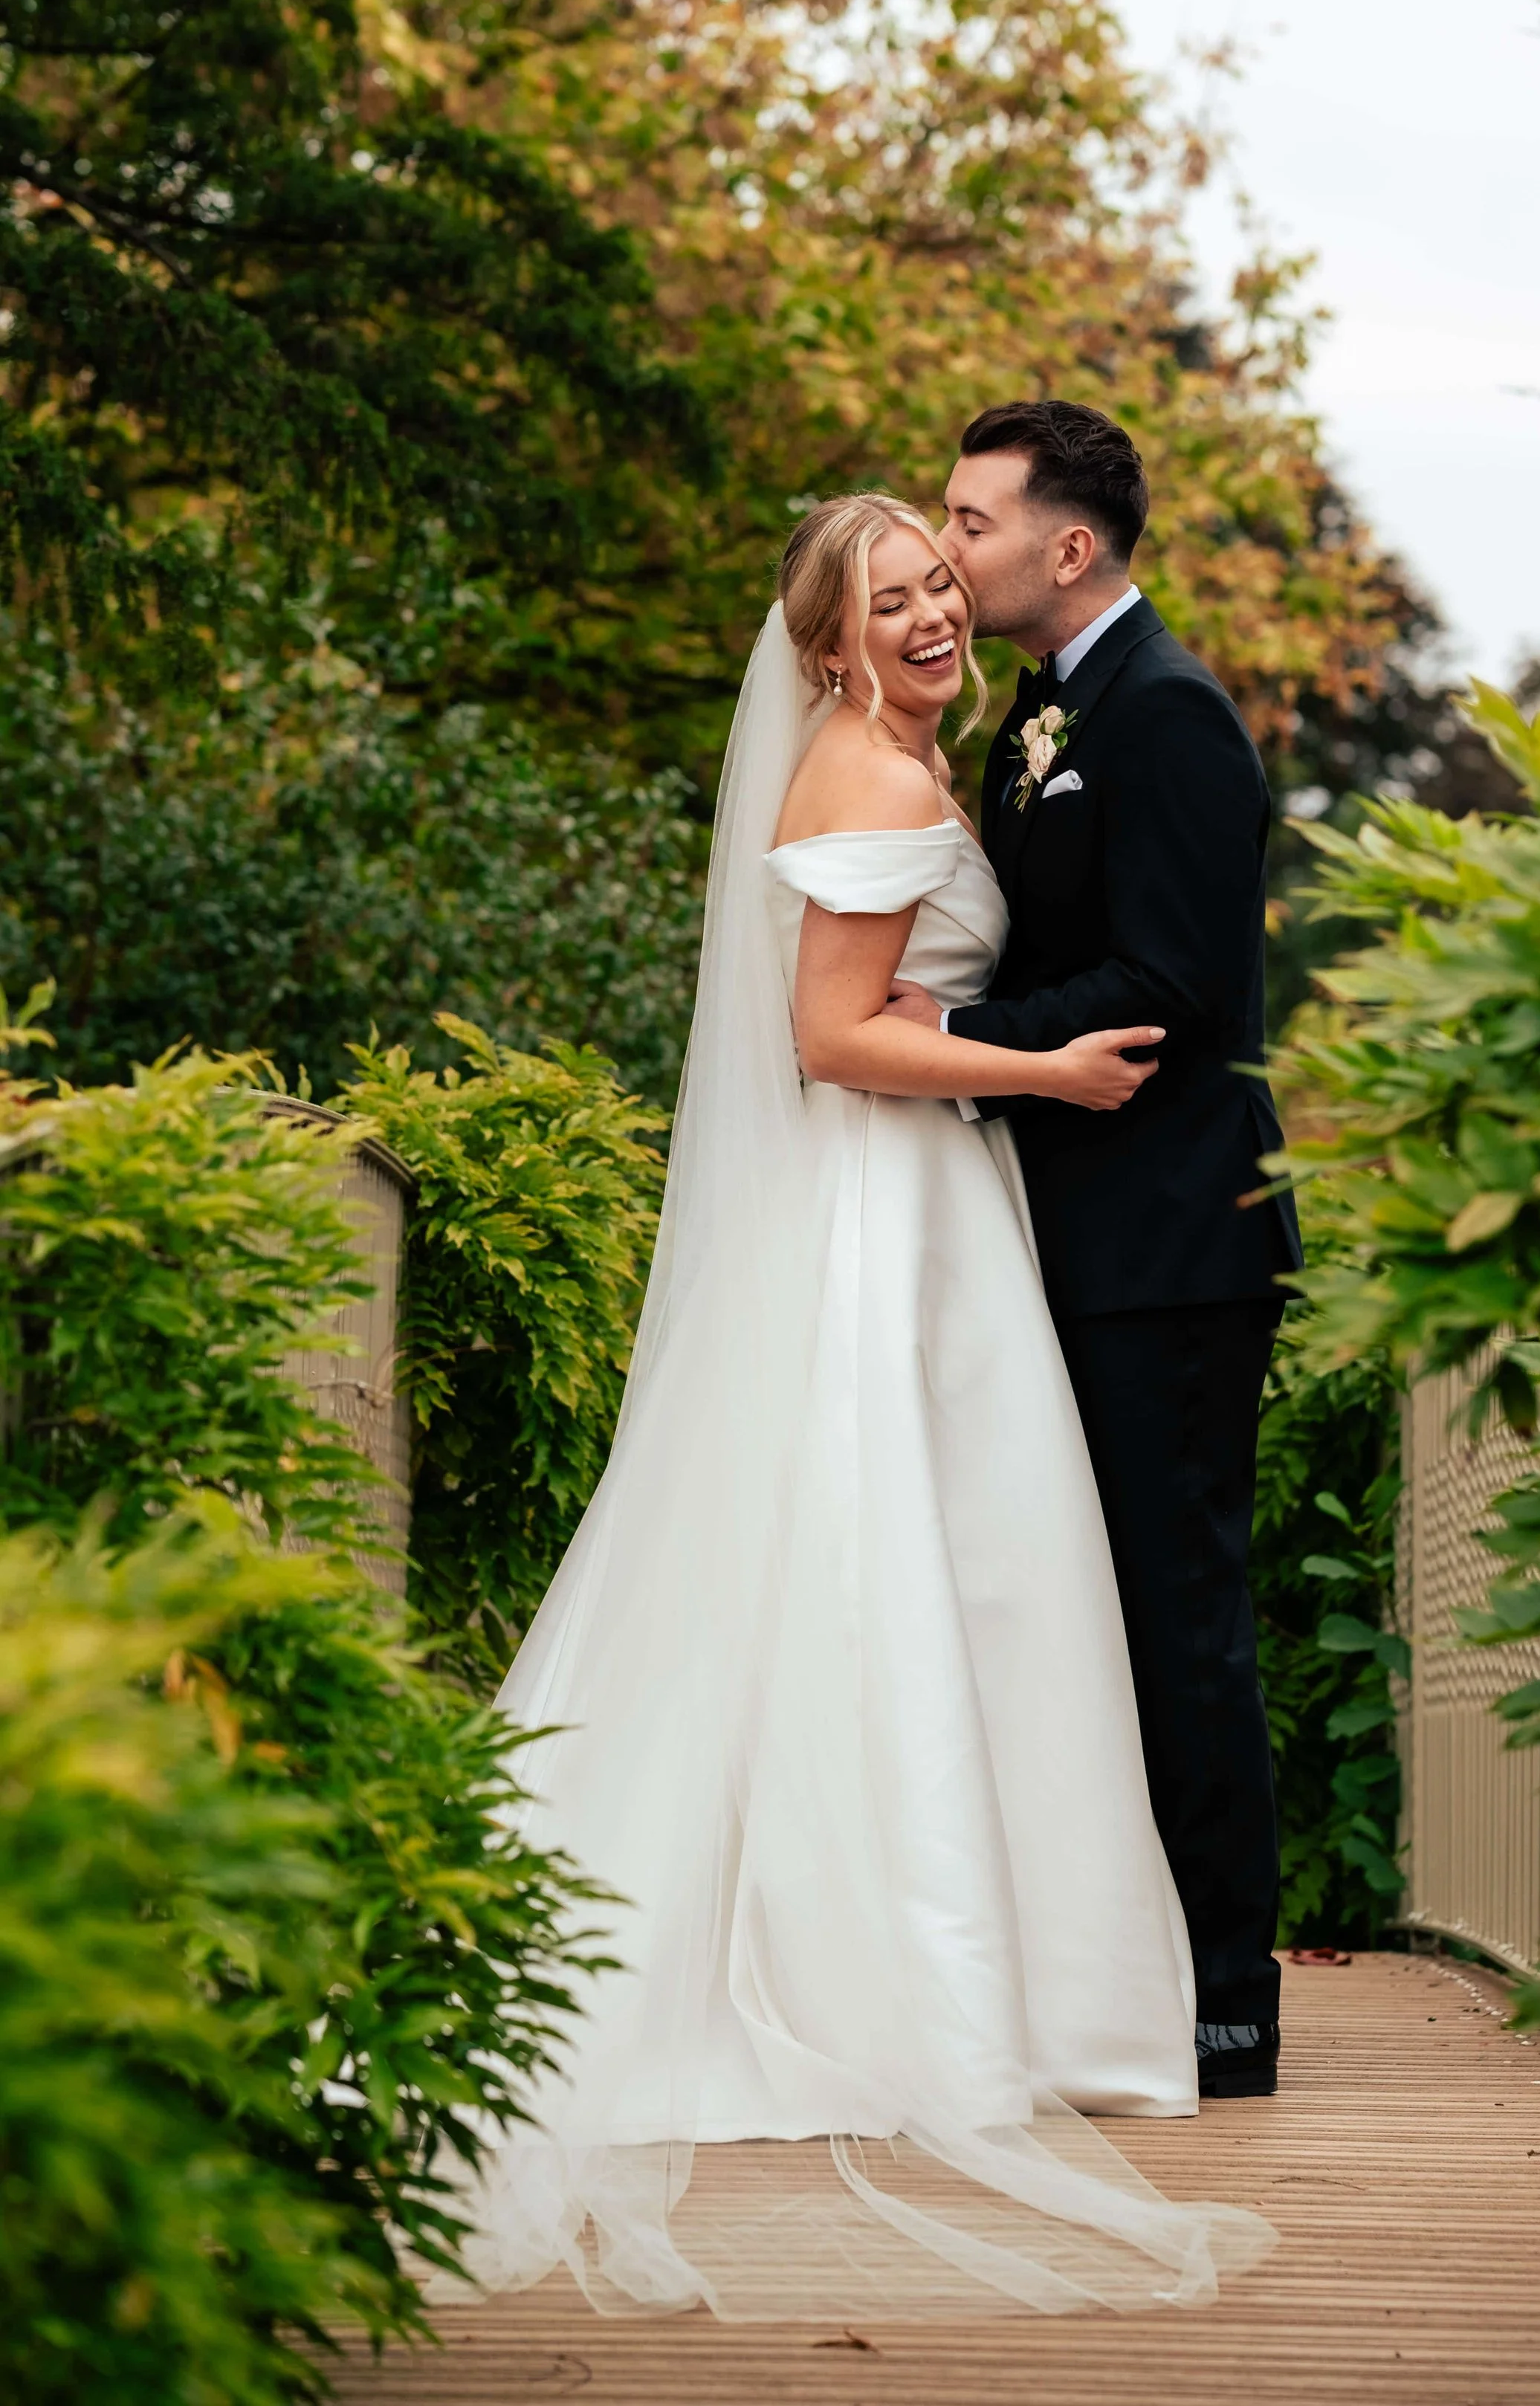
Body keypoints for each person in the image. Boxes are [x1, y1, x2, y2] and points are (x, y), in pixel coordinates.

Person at [430, 493, 1275, 2321]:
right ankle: (910, 1983)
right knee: (906, 1565)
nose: (927, 615)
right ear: (825, 643)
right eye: (889, 598)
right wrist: (1038, 1067)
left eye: (935, 583)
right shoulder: (873, 779)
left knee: (933, 1573)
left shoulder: (903, 758)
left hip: (923, 1205)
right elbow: (835, 1035)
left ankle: (951, 1962)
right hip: (886, 1207)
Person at [891, 401, 1302, 2101]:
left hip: (1171, 1248)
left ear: (1068, 547)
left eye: (972, 521)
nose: (945, 546)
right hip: (1064, 1232)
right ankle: (1105, 1983)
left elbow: (1171, 983)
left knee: (1175, 1617)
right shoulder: (1040, 716)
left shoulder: (1171, 715)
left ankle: (1224, 2009)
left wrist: (959, 1031)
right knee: (1080, 1613)